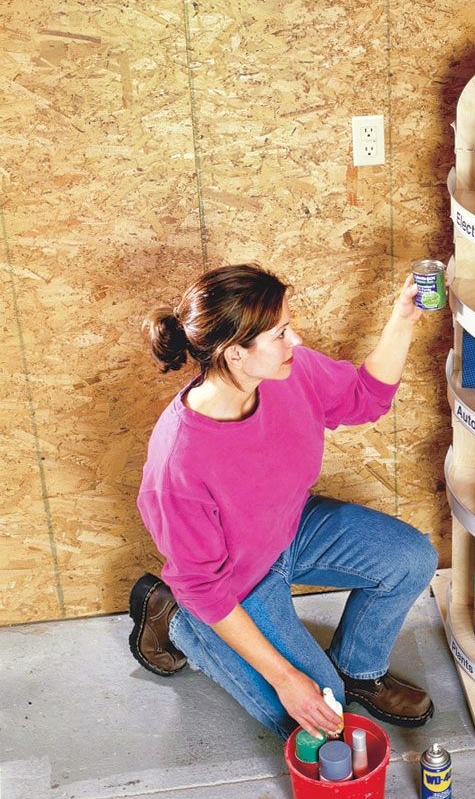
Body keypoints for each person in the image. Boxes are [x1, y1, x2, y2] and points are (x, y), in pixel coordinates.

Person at [128, 263, 439, 740]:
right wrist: (288, 680)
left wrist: (402, 317)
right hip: (233, 585)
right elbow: (205, 585)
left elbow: (364, 396)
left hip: (291, 529)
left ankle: (360, 668)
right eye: (280, 333)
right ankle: (178, 622)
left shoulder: (286, 373)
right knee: (321, 724)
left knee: (411, 557)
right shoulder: (179, 465)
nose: (295, 341)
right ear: (235, 353)